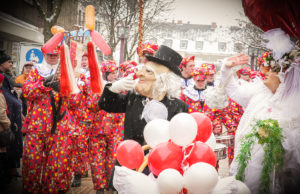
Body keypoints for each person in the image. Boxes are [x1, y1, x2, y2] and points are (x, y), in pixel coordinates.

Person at [221, 50, 300, 193]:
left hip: (276, 175)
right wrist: (226, 68)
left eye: (273, 70)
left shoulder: (294, 105)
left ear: (285, 76)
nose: (267, 72)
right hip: (247, 167)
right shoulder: (259, 92)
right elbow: (234, 91)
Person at [22, 47, 73, 193]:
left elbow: (75, 100)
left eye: (56, 55)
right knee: (32, 164)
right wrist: (43, 85)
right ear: (44, 55)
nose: (53, 57)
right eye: (50, 54)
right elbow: (27, 91)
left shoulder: (66, 72)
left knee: (55, 166)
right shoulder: (36, 70)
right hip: (37, 125)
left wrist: (65, 89)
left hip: (59, 127)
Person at [89, 61, 125, 194]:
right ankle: (100, 187)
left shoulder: (122, 86)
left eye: (116, 72)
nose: (115, 75)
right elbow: (90, 106)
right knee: (97, 158)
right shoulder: (94, 85)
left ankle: (112, 184)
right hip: (97, 128)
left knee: (113, 157)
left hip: (116, 129)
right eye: (111, 73)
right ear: (105, 74)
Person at [0, 50, 23, 179]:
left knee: (12, 145)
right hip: (7, 119)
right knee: (7, 145)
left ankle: (11, 171)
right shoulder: (3, 78)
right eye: (9, 61)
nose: (11, 64)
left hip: (12, 117)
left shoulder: (7, 76)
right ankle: (8, 172)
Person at [0, 73, 11, 187]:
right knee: (2, 153)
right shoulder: (0, 95)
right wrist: (8, 125)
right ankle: (3, 179)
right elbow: (1, 113)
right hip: (1, 129)